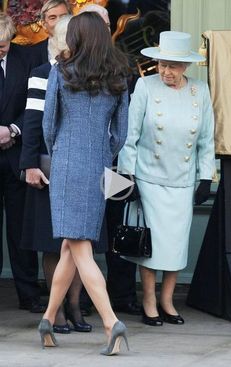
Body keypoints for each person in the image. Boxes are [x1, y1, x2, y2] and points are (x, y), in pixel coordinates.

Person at [39, 12, 129, 355]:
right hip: (99, 166)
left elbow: (48, 125)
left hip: (66, 163)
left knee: (80, 247)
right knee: (71, 245)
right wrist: (103, 155)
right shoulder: (119, 75)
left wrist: (60, 152)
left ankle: (110, 322)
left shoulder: (60, 71)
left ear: (76, 38)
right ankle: (48, 319)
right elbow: (120, 134)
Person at [117, 31, 216, 326]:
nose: (166, 71)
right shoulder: (145, 86)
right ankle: (149, 301)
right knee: (150, 246)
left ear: (186, 66)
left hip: (182, 180)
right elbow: (129, 136)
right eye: (161, 65)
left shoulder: (200, 90)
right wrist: (128, 177)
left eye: (172, 66)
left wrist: (205, 177)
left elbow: (206, 139)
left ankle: (167, 301)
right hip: (148, 179)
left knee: (174, 245)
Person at [20, 14, 92, 334]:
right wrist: (30, 165)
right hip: (48, 170)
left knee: (79, 243)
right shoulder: (41, 73)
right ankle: (58, 310)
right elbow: (33, 124)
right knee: (53, 245)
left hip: (81, 171)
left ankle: (76, 307)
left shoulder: (89, 73)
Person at [77, 2, 141, 317]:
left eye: (104, 22)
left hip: (116, 163)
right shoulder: (71, 65)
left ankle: (123, 294)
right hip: (84, 164)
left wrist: (117, 158)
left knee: (119, 226)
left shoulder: (124, 64)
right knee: (87, 231)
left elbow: (126, 121)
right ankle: (87, 298)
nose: (101, 29)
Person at [0, 12, 45, 312]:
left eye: (2, 45)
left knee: (20, 233)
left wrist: (12, 129)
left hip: (17, 157)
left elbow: (34, 109)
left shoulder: (25, 59)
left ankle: (29, 295)